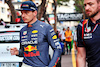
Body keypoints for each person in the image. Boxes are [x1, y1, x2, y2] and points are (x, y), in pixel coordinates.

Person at [10, 1, 62, 67]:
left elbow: (58, 49)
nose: (23, 15)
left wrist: (51, 66)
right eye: (22, 13)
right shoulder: (22, 31)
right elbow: (25, 52)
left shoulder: (46, 28)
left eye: (26, 13)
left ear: (35, 13)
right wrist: (18, 52)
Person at [76, 0, 100, 67]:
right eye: (85, 5)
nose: (86, 8)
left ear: (99, 4)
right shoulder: (82, 26)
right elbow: (81, 56)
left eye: (90, 4)